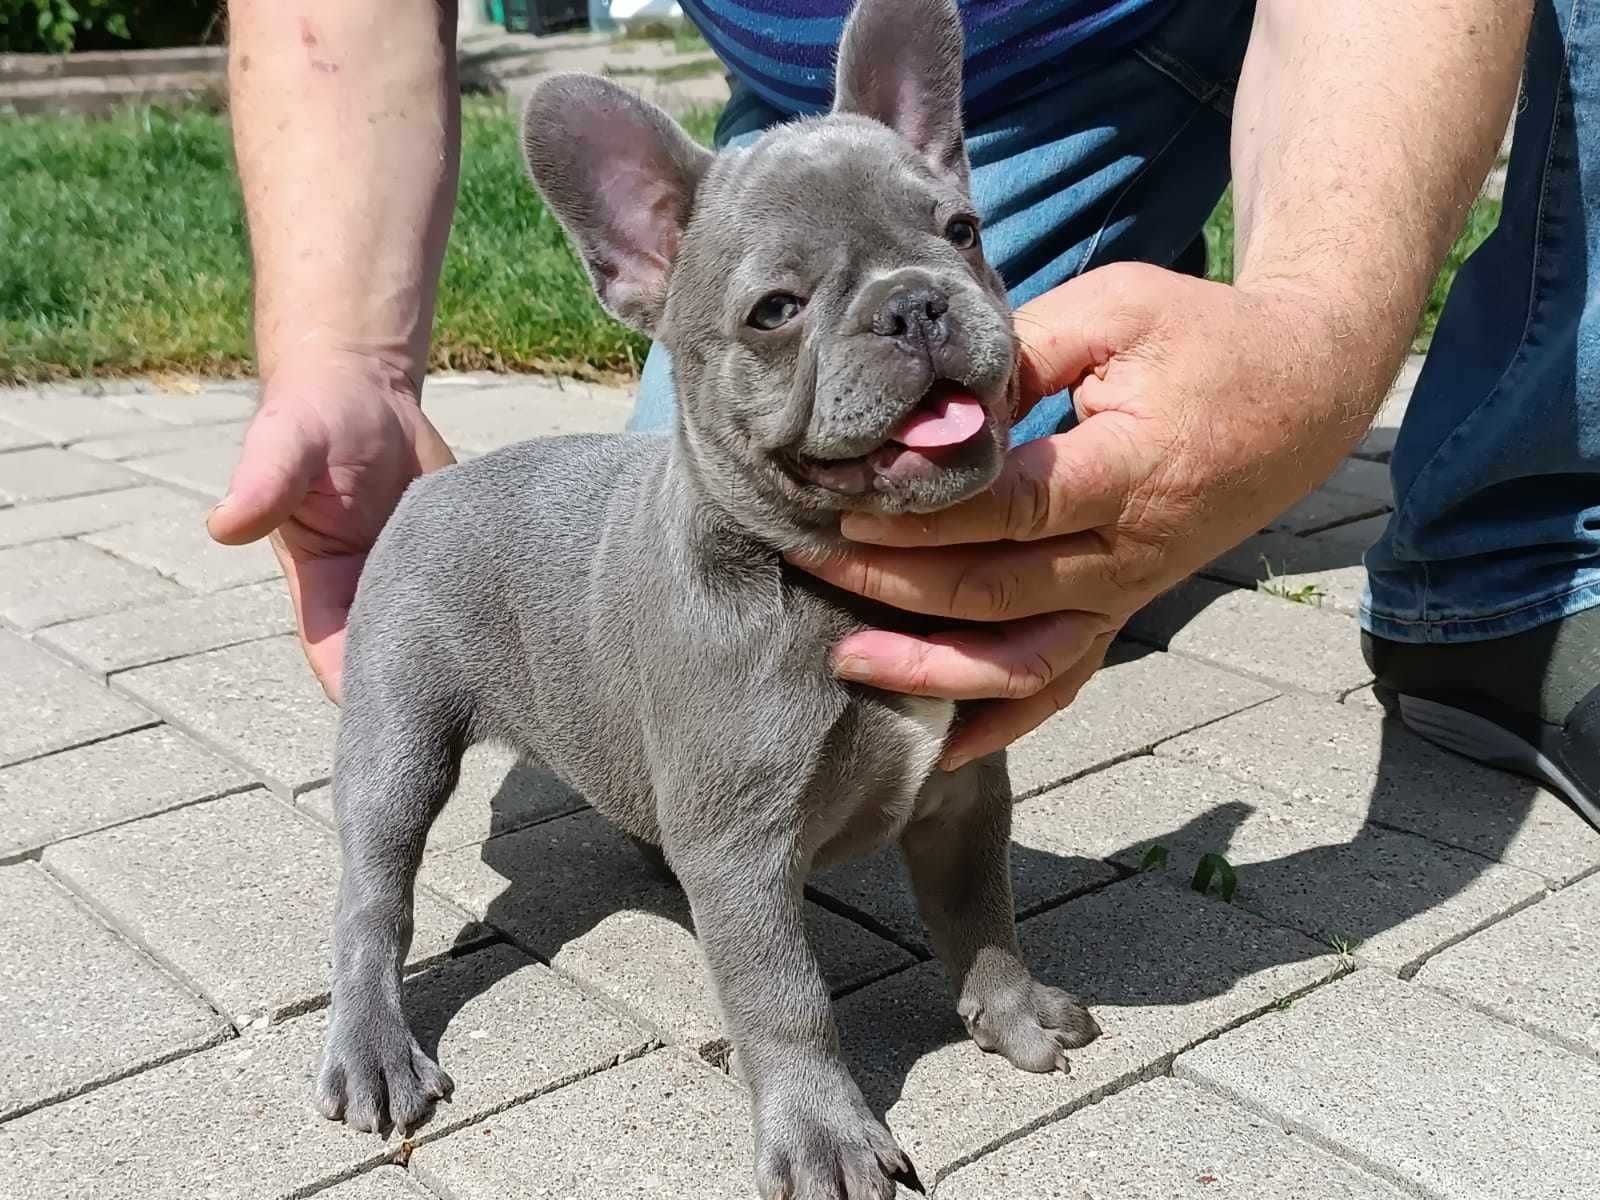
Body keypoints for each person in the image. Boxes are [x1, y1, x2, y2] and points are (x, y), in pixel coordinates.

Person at [214, 1, 1600, 822]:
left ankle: (1526, 552)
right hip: (834, 120)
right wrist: (345, 353)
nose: (915, 305)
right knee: (703, 734)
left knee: (949, 587)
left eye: (953, 241)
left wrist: (1315, 340)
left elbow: (929, 266)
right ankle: (1062, 262)